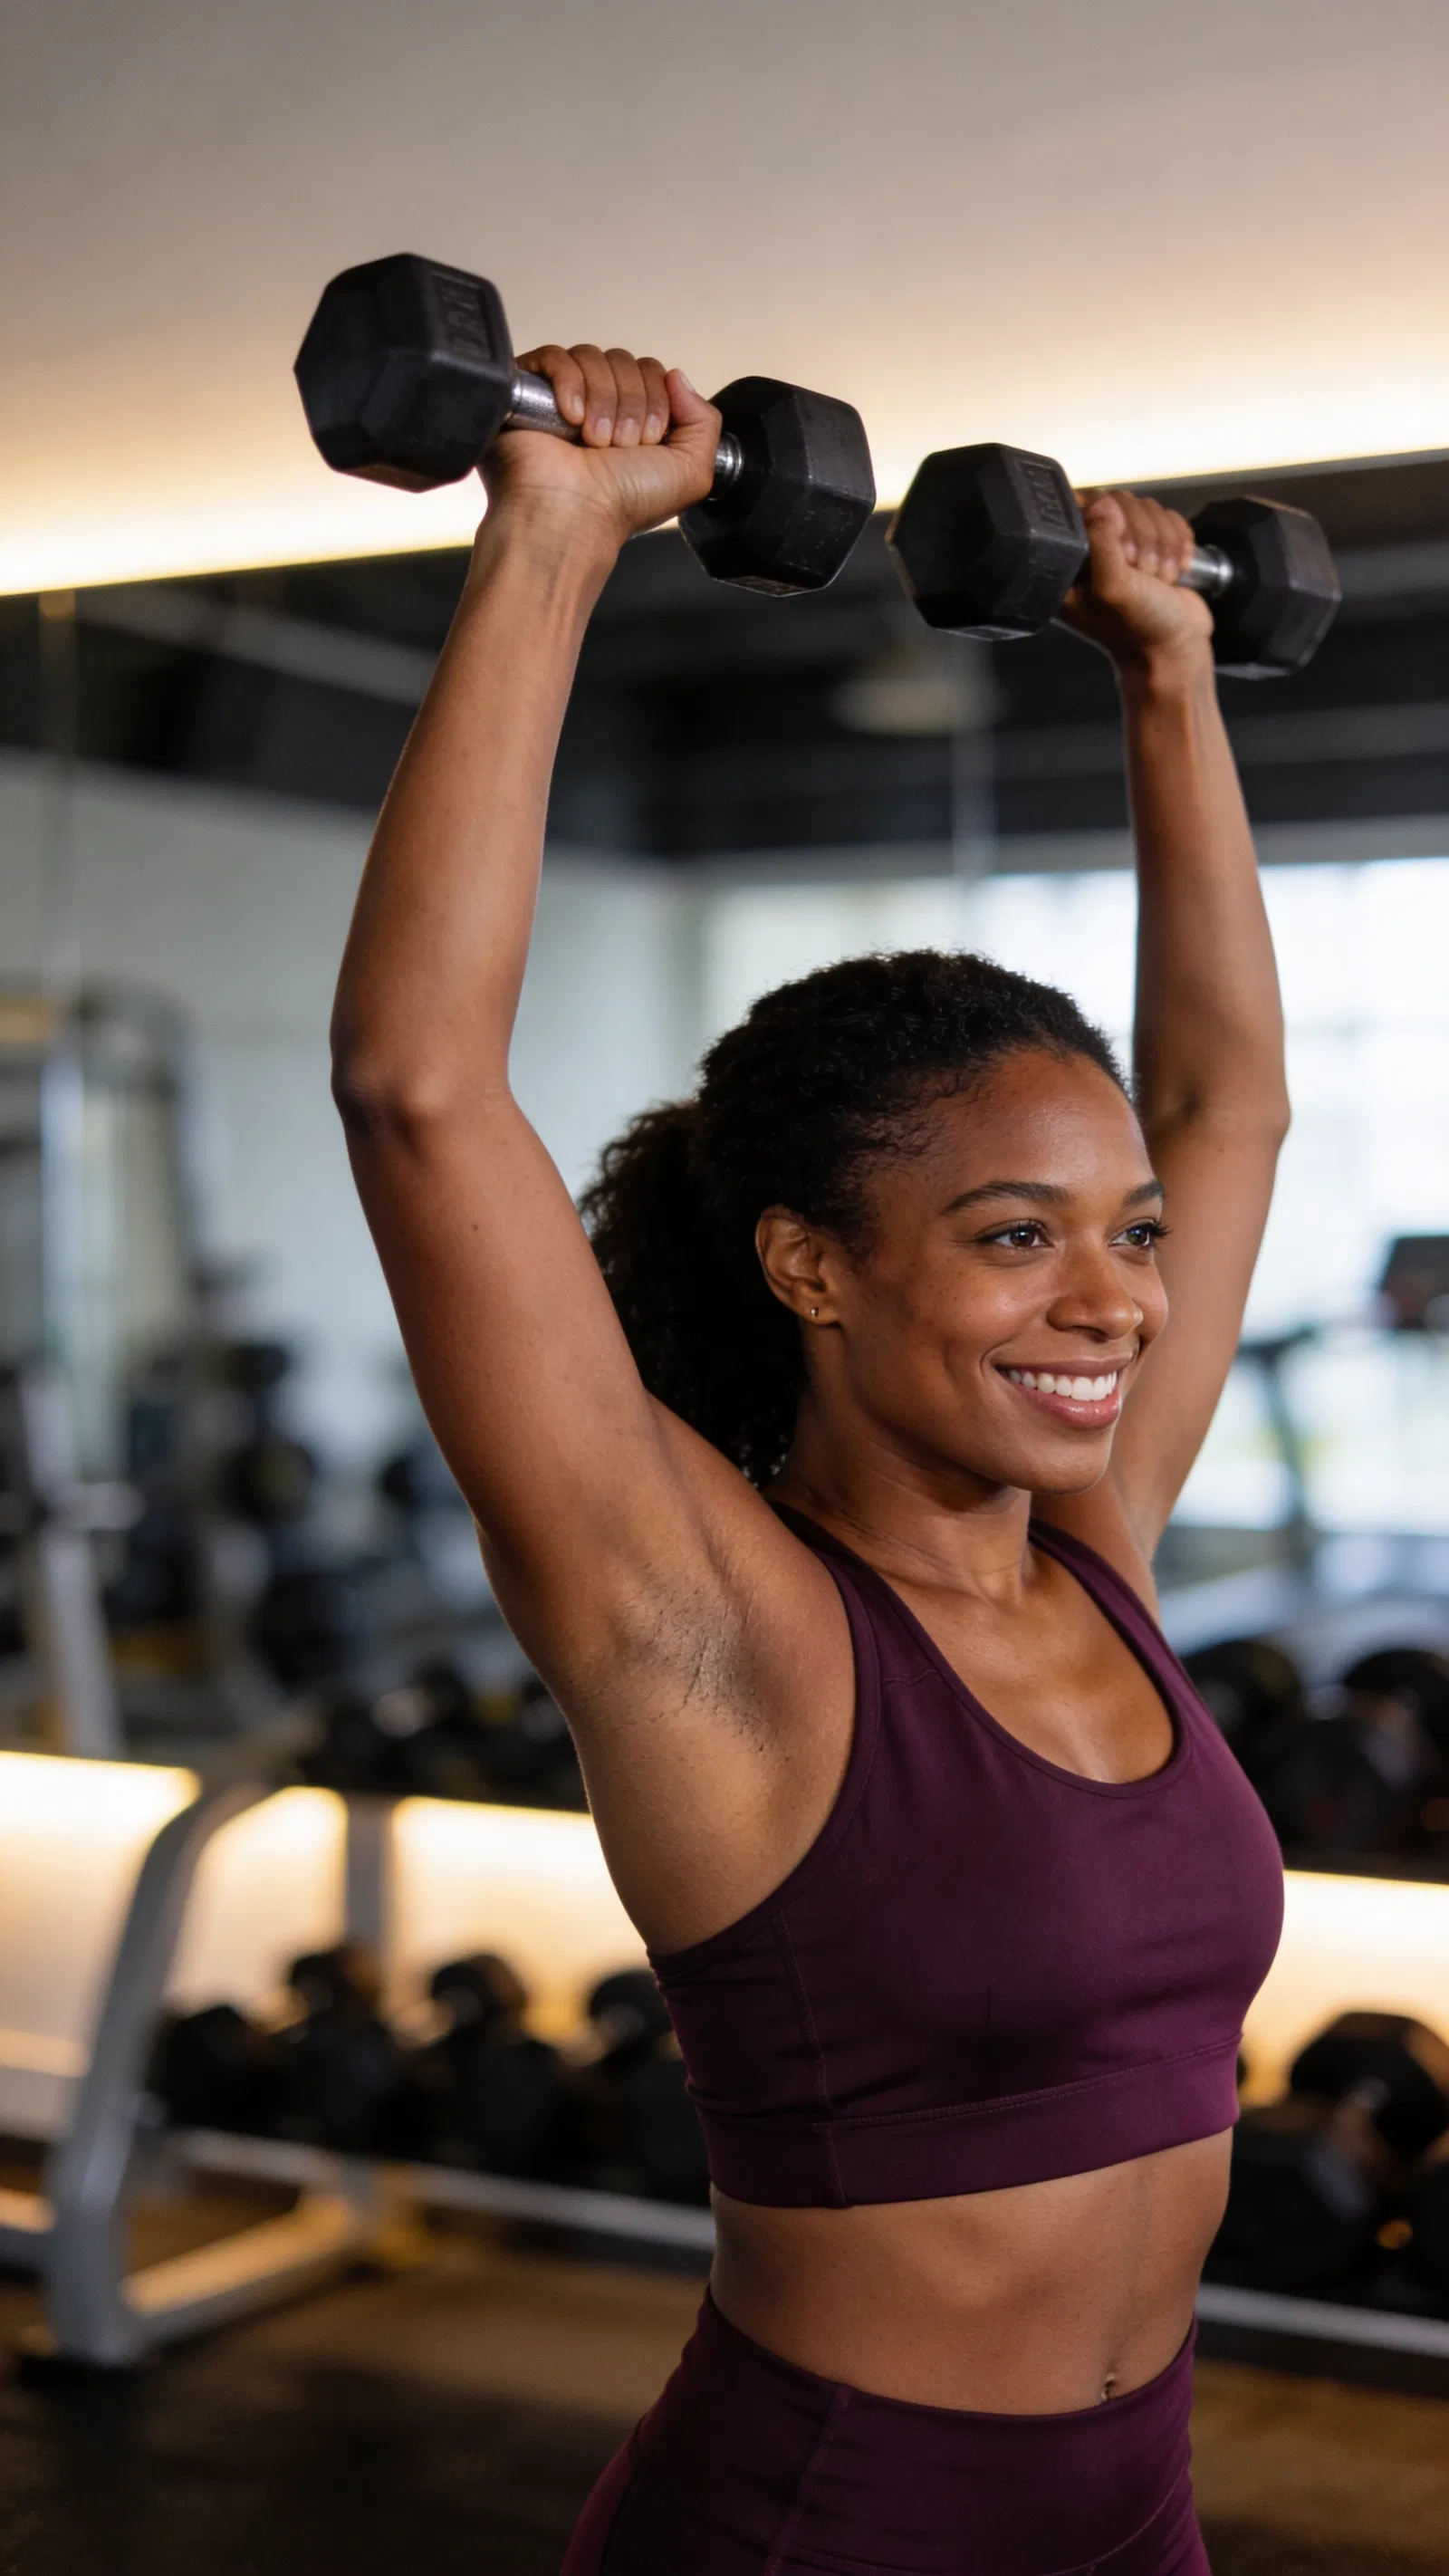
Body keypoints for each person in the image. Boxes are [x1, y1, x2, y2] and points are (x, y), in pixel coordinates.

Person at [331, 341, 1287, 2576]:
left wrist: (1167, 673)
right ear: (810, 1267)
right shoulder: (706, 1624)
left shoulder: (1094, 1546)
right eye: (1010, 1239)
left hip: (1134, 2509)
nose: (1115, 1301)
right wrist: (551, 533)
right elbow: (418, 1089)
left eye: (1121, 1239)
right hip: (826, 2528)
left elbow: (1228, 1106)